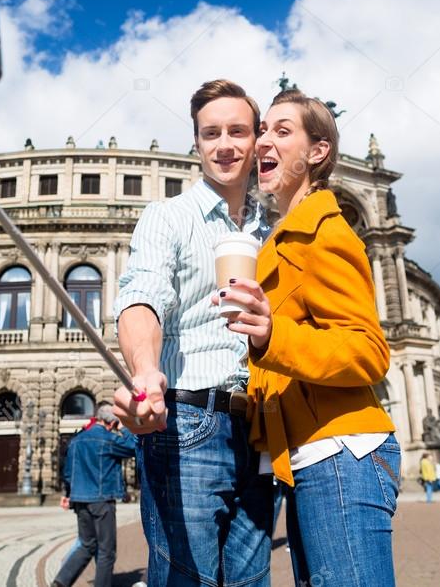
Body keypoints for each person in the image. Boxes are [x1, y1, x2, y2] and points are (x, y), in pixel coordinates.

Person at [219, 88, 400, 587]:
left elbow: (368, 352)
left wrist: (273, 335)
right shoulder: (284, 234)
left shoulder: (325, 232)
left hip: (341, 452)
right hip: (309, 455)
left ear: (317, 152)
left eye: (282, 131)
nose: (261, 143)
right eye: (262, 132)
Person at [112, 80, 276, 586]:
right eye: (211, 133)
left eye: (237, 131)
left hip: (262, 427)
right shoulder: (168, 217)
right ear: (198, 143)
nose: (224, 144)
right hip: (188, 423)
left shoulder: (272, 229)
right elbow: (143, 295)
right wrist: (146, 373)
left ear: (255, 141)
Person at [53, 403, 137, 587]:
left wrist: (69, 494)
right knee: (107, 550)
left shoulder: (76, 440)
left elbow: (67, 473)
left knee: (86, 544)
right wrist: (124, 427)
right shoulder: (107, 439)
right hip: (101, 500)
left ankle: (61, 582)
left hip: (80, 499)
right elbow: (134, 447)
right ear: (111, 423)